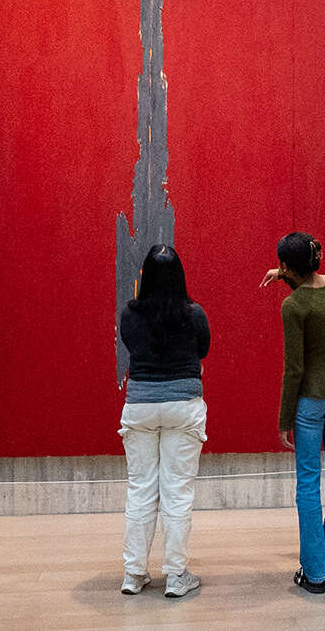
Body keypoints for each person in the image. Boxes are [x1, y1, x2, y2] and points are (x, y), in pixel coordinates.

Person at [259, 232, 325, 594]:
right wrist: (283, 271)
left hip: (311, 402)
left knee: (307, 484)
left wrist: (284, 419)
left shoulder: (293, 307)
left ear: (288, 267)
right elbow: (314, 280)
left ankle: (314, 573)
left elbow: (294, 369)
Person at [116, 245, 210, 598]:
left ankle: (133, 573)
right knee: (177, 492)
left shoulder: (129, 314)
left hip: (139, 407)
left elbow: (130, 344)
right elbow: (203, 349)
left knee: (141, 490)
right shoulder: (193, 313)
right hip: (183, 407)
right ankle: (175, 575)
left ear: (145, 277)